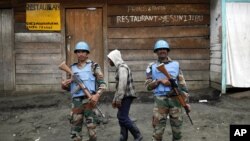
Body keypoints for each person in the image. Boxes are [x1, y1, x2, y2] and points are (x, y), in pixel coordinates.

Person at [145, 39, 190, 141]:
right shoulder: (151, 66)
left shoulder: (176, 65)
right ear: (156, 52)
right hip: (160, 101)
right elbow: (147, 86)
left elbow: (182, 84)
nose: (162, 51)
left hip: (176, 100)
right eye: (159, 49)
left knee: (177, 131)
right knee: (157, 131)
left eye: (164, 49)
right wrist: (159, 81)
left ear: (167, 51)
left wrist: (186, 102)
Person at [61, 41, 106, 141]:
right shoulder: (71, 68)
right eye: (78, 51)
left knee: (92, 131)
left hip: (89, 101)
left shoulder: (94, 66)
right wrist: (64, 85)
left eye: (83, 51)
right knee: (75, 130)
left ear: (87, 53)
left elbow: (103, 85)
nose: (80, 54)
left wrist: (97, 95)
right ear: (76, 53)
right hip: (76, 102)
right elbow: (70, 88)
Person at [107, 49, 143, 141]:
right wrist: (115, 99)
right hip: (124, 95)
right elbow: (119, 86)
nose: (109, 61)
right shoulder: (120, 68)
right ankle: (123, 137)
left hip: (126, 96)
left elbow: (122, 85)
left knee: (123, 117)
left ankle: (137, 135)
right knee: (121, 116)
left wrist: (119, 99)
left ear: (114, 59)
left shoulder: (122, 68)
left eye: (110, 59)